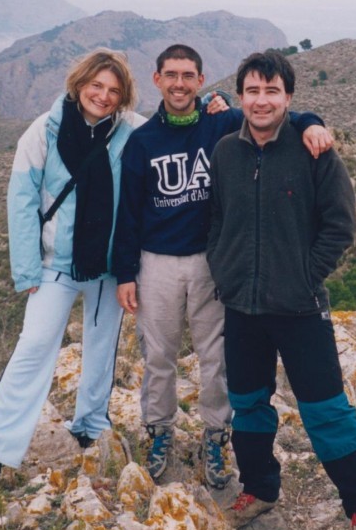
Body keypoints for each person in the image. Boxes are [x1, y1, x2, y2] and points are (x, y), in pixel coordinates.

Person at [111, 44, 333, 489]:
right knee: (159, 356)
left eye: (188, 75)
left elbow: (274, 114)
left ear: (200, 80)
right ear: (157, 80)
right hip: (156, 263)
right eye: (170, 75)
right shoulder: (142, 142)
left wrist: (313, 123)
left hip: (213, 263)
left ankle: (216, 436)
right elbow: (128, 211)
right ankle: (160, 431)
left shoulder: (223, 123)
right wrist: (125, 273)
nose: (179, 83)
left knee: (217, 357)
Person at [207, 50, 356, 530]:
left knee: (325, 409)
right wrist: (224, 270)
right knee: (248, 403)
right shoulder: (227, 151)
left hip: (300, 307)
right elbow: (217, 219)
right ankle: (260, 488)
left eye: (272, 91)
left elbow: (340, 225)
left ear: (288, 97)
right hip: (242, 307)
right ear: (241, 97)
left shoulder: (314, 150)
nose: (262, 100)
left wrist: (305, 276)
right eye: (253, 91)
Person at [0, 49, 144, 480]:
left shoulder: (133, 131)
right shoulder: (43, 131)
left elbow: (183, 129)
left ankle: (90, 425)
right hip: (54, 264)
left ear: (123, 98)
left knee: (102, 351)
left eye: (113, 90)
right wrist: (26, 269)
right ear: (79, 83)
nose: (102, 96)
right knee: (34, 347)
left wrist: (221, 109)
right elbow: (22, 200)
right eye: (96, 85)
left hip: (107, 268)